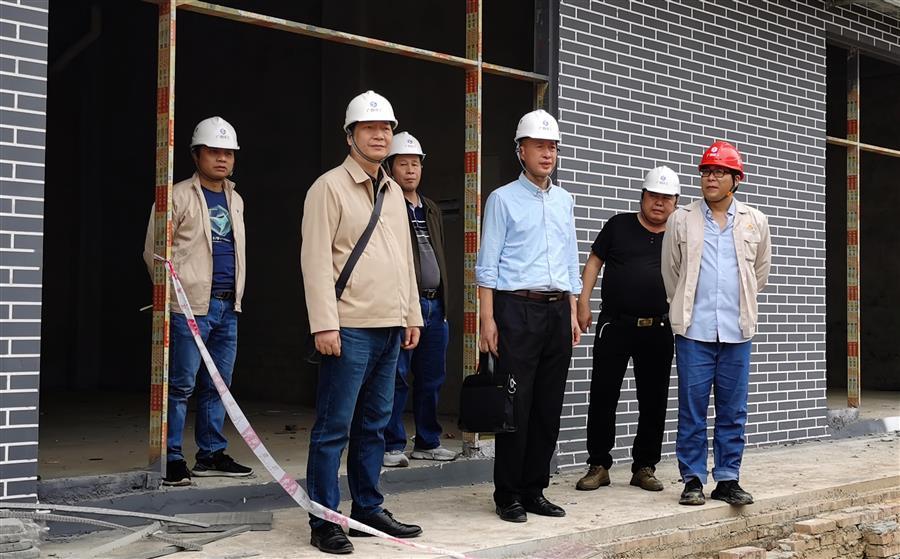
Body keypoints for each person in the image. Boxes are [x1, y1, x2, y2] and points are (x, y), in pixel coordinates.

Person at [301, 91, 424, 554]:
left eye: (386, 128)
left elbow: (404, 260)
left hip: (390, 327)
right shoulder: (328, 187)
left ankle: (368, 509)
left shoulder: (392, 191)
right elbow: (315, 261)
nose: (380, 135)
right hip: (348, 327)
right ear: (350, 135)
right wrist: (324, 324)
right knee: (334, 427)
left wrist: (410, 314)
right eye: (370, 128)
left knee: (374, 425)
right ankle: (325, 520)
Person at [475, 109, 582, 523]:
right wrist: (487, 320)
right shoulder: (502, 199)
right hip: (516, 310)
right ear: (521, 150)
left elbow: (570, 259)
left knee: (548, 406)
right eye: (539, 146)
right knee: (515, 405)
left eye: (552, 147)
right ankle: (508, 495)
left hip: (557, 311)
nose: (547, 154)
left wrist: (572, 310)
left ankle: (535, 489)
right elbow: (487, 266)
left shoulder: (564, 200)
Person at [142, 116, 253, 486]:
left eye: (228, 153)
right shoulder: (176, 196)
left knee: (218, 384)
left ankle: (211, 454)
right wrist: (175, 298)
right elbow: (154, 252)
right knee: (181, 385)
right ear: (196, 155)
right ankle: (171, 457)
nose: (222, 158)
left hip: (227, 306)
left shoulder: (236, 199)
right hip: (188, 307)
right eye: (214, 151)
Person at [661, 141, 771, 507]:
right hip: (694, 331)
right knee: (692, 409)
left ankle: (727, 479)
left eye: (720, 172)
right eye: (707, 171)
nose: (711, 178)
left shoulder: (755, 220)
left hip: (737, 331)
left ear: (736, 180)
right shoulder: (681, 219)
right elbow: (671, 272)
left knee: (733, 410)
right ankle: (692, 479)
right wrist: (684, 307)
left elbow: (759, 273)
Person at [574, 166, 680, 493]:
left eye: (666, 198)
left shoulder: (679, 235)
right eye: (654, 196)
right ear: (642, 196)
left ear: (676, 202)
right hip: (615, 324)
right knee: (603, 395)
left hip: (659, 327)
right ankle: (599, 465)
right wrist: (583, 301)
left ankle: (644, 467)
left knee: (654, 400)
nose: (659, 203)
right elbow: (594, 262)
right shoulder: (618, 225)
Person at [382, 132, 456, 468]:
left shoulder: (431, 208)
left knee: (432, 378)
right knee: (396, 377)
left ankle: (428, 441)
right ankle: (392, 444)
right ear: (390, 167)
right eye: (403, 164)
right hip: (402, 306)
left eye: (415, 163)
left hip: (435, 305)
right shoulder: (385, 205)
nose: (411, 170)